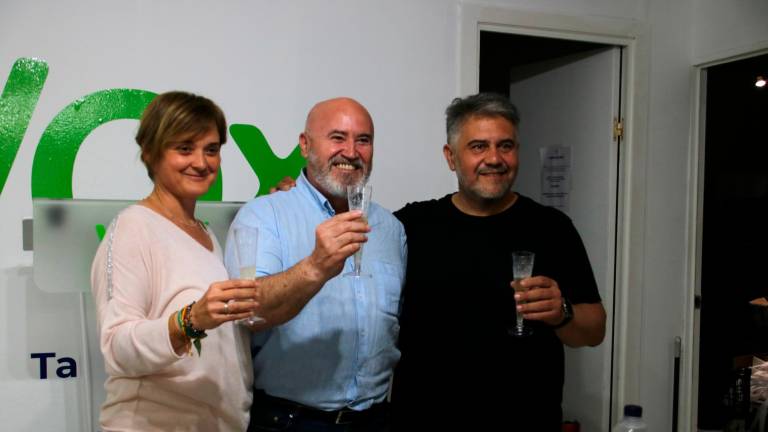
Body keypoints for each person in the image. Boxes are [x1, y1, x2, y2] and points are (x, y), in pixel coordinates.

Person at [389, 93, 607, 430]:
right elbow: (346, 255)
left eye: (506, 146)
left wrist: (561, 312)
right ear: (451, 157)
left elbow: (594, 330)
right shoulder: (411, 225)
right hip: (423, 419)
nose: (495, 158)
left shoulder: (552, 227)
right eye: (478, 147)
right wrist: (289, 202)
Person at [224, 97, 406, 432]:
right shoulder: (264, 216)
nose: (351, 152)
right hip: (290, 421)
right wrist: (315, 266)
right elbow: (249, 311)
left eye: (363, 140)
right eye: (337, 137)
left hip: (376, 419)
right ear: (305, 145)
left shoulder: (391, 229)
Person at [90, 91, 259, 431]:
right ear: (150, 152)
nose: (201, 162)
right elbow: (117, 347)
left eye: (211, 150)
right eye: (184, 148)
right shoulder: (132, 227)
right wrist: (190, 320)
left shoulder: (205, 233)